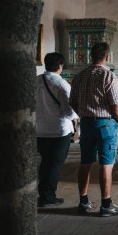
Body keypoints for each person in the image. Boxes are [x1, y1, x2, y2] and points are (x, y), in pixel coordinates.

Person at [69, 42, 118, 217]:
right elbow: (116, 105)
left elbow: (72, 102)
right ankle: (106, 204)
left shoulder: (80, 76)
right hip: (105, 124)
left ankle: (83, 202)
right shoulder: (108, 76)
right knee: (106, 163)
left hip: (86, 123)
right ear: (107, 57)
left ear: (90, 56)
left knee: (85, 162)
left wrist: (85, 114)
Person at [35, 52, 78, 208]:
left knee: (45, 162)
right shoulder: (61, 84)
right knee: (54, 165)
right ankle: (48, 197)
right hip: (58, 131)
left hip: (40, 130)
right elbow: (69, 111)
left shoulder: (36, 80)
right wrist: (76, 114)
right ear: (60, 65)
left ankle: (44, 194)